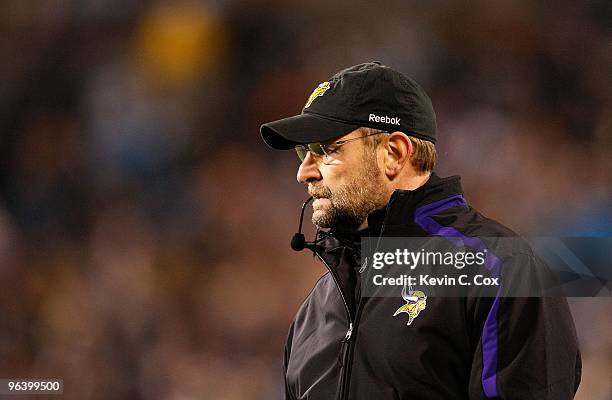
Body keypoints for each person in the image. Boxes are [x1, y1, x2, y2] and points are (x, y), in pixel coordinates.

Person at [260, 62, 581, 400]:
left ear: (394, 154)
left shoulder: (502, 270)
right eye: (303, 152)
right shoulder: (315, 310)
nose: (303, 173)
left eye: (325, 150)